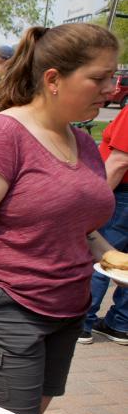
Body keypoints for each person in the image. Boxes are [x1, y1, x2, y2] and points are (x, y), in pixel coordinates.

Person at [0, 23, 118, 414]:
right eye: (99, 78)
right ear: (53, 79)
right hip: (9, 312)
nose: (111, 89)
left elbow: (81, 225)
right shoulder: (3, 135)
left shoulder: (84, 141)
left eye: (114, 76)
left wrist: (113, 257)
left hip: (69, 309)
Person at [81, 103, 128, 345]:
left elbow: (120, 161)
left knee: (104, 258)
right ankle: (120, 323)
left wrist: (96, 202)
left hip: (122, 196)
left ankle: (82, 322)